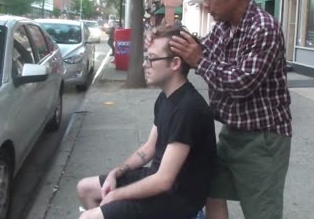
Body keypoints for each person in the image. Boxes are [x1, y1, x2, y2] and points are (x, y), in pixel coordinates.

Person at [167, 0, 292, 219]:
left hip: (263, 139)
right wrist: (168, 39)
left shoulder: (263, 28)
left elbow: (240, 83)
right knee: (211, 192)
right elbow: (201, 49)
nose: (205, 4)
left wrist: (199, 60)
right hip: (231, 132)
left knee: (261, 211)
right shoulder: (224, 26)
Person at [76, 26, 217, 219]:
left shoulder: (189, 108)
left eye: (151, 59)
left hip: (177, 200)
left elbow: (164, 180)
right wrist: (116, 172)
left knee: (88, 217)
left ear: (175, 63)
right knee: (86, 188)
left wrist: (116, 195)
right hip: (157, 180)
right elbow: (149, 148)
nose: (144, 65)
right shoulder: (165, 98)